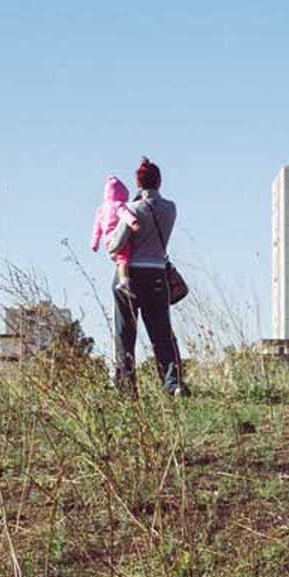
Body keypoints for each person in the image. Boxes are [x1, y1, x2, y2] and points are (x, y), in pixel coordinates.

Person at [108, 157, 184, 397]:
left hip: (129, 275)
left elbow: (115, 246)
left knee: (125, 334)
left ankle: (127, 389)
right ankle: (173, 384)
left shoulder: (133, 209)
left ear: (138, 184)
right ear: (159, 182)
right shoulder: (170, 209)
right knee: (162, 333)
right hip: (157, 274)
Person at [90, 176, 139, 298]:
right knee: (124, 259)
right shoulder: (118, 205)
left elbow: (97, 228)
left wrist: (94, 243)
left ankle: (123, 278)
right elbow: (125, 214)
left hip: (107, 242)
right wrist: (133, 222)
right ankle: (124, 283)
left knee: (119, 260)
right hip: (117, 237)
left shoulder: (101, 209)